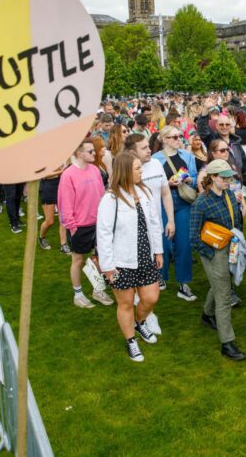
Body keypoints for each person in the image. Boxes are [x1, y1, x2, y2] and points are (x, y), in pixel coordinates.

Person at [97, 152, 164, 362]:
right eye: (137, 168)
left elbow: (154, 222)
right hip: (121, 261)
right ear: (125, 171)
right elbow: (104, 233)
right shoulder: (110, 199)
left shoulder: (144, 192)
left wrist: (158, 250)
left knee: (151, 297)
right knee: (125, 303)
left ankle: (140, 321)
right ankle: (131, 341)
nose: (141, 171)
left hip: (145, 255)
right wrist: (108, 266)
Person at [190, 159, 246, 361]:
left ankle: (207, 315)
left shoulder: (229, 194)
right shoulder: (201, 203)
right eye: (224, 178)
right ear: (212, 177)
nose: (228, 181)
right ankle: (227, 342)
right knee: (224, 294)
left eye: (229, 177)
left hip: (230, 247)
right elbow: (193, 237)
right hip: (213, 251)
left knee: (220, 284)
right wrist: (211, 255)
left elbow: (237, 220)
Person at [58, 139, 115, 309]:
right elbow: (65, 206)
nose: (95, 153)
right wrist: (73, 229)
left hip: (98, 224)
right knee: (78, 260)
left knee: (99, 258)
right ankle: (78, 294)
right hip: (80, 227)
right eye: (90, 151)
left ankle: (98, 290)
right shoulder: (68, 175)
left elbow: (102, 195)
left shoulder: (95, 170)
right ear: (78, 153)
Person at [152, 126, 198, 301]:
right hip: (163, 204)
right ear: (164, 139)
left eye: (179, 136)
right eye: (174, 137)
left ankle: (184, 283)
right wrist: (167, 185)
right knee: (163, 242)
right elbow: (152, 185)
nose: (179, 139)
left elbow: (193, 178)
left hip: (184, 202)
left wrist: (188, 179)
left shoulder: (187, 156)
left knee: (184, 244)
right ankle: (160, 276)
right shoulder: (155, 159)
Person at [125, 133, 176, 289]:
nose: (149, 150)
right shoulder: (125, 170)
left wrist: (171, 220)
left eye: (148, 146)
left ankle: (157, 278)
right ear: (133, 152)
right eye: (144, 148)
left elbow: (165, 193)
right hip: (135, 229)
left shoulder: (156, 164)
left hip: (157, 224)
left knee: (163, 252)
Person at [37, 165, 70, 253]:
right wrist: (60, 171)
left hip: (60, 185)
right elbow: (45, 175)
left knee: (63, 219)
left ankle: (63, 245)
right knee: (49, 221)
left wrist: (57, 170)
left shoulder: (58, 157)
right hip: (48, 188)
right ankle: (41, 237)